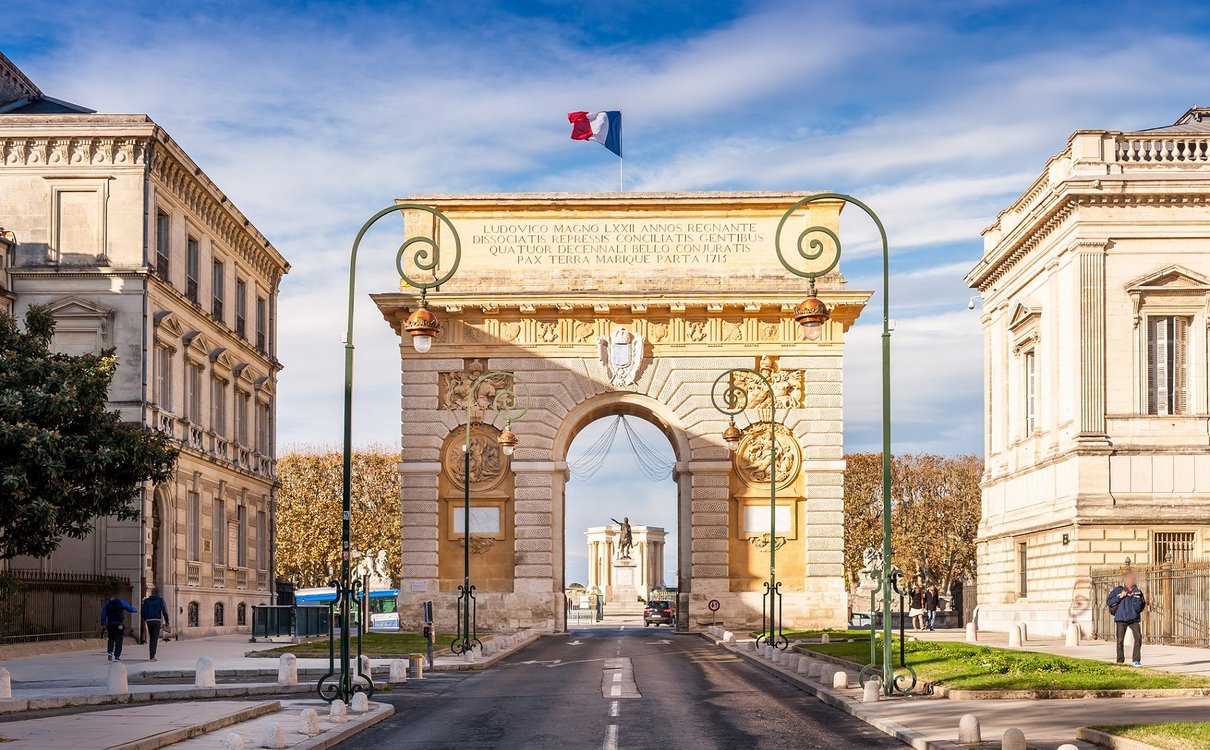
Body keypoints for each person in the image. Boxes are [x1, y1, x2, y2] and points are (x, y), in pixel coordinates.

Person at [1107, 570, 1147, 666]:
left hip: (1134, 619)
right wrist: (1120, 596)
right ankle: (1120, 661)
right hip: (1121, 618)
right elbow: (1109, 602)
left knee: (1138, 638)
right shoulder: (1118, 590)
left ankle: (1136, 660)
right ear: (1125, 580)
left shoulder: (1137, 592)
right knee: (1120, 641)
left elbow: (1142, 605)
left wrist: (1136, 608)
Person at [100, 591, 137, 662]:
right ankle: (117, 656)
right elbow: (129, 608)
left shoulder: (107, 603)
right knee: (119, 640)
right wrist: (135, 610)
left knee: (111, 638)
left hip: (110, 624)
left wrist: (102, 623)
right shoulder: (121, 602)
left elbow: (103, 614)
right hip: (119, 624)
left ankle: (110, 652)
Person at [141, 586, 170, 662]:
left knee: (151, 637)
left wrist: (145, 618)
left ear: (151, 593)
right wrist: (167, 621)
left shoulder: (147, 601)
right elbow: (164, 611)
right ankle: (152, 655)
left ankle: (151, 654)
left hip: (149, 621)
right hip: (156, 620)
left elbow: (143, 611)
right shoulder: (160, 600)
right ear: (158, 593)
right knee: (154, 638)